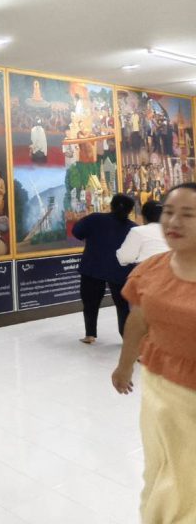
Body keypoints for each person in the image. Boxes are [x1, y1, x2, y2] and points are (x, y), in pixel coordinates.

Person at [112, 183, 196, 523]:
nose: (173, 222)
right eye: (169, 212)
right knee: (161, 469)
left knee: (189, 478)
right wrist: (124, 367)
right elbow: (138, 319)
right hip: (159, 390)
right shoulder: (152, 269)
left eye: (188, 214)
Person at [72, 193, 135, 344]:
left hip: (93, 268)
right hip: (121, 271)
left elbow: (77, 232)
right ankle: (127, 338)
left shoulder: (95, 219)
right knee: (123, 306)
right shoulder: (134, 228)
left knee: (90, 303)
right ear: (130, 210)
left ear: (111, 205)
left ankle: (90, 335)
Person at [116, 201, 169, 267]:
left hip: (148, 271)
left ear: (144, 217)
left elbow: (124, 258)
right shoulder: (172, 232)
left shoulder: (138, 231)